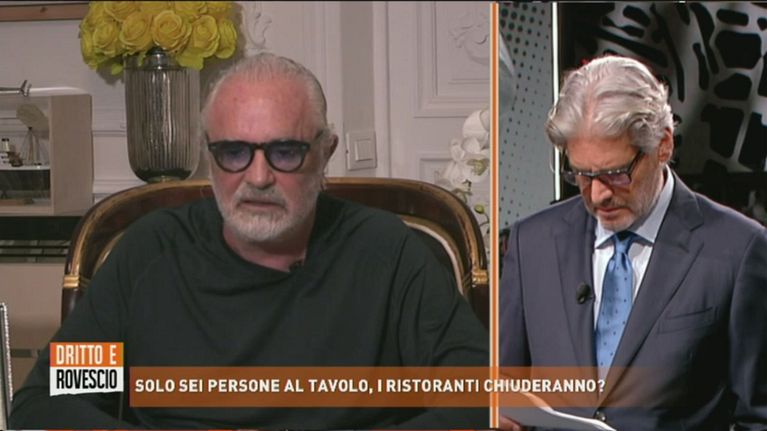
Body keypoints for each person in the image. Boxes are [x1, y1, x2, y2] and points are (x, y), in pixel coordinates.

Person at [11, 53, 489, 429]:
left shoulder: (385, 253)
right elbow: (49, 400)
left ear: (325, 153)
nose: (258, 177)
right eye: (234, 152)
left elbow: (476, 395)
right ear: (209, 155)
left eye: (286, 151)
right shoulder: (151, 254)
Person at [500, 55, 767, 429]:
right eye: (582, 174)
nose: (598, 195)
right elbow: (505, 384)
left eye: (615, 174)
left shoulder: (739, 250)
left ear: (663, 146)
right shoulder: (531, 243)